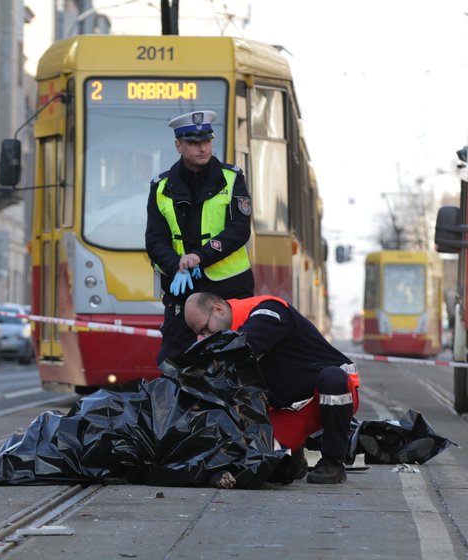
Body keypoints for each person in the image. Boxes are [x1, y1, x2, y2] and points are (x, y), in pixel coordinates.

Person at [182, 292, 360, 484]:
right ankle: (293, 459)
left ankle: (333, 462)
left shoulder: (268, 311)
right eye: (201, 334)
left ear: (218, 309)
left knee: (333, 378)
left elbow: (244, 348)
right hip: (291, 408)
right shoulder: (225, 334)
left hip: (329, 393)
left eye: (206, 329)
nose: (206, 336)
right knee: (265, 465)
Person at [145, 109, 254, 366]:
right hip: (182, 287)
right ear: (178, 145)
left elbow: (239, 229)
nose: (203, 148)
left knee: (234, 361)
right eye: (194, 143)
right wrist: (176, 265)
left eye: (206, 141)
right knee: (173, 360)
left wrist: (200, 256)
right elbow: (154, 239)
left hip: (230, 288)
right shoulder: (160, 187)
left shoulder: (232, 178)